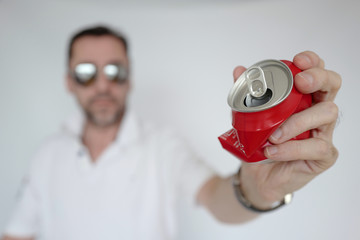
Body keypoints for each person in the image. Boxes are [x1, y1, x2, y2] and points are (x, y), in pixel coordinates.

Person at [2, 25, 341, 240]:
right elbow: (17, 233)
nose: (103, 84)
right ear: (69, 81)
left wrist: (258, 189)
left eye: (115, 71)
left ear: (130, 79)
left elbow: (216, 199)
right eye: (87, 72)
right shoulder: (47, 154)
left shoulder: (163, 145)